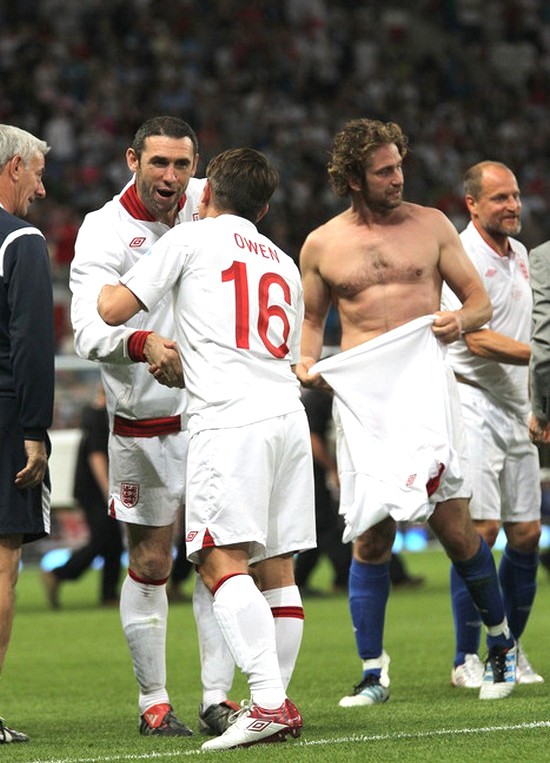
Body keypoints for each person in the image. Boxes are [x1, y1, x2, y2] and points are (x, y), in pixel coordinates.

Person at [97, 147, 316, 751]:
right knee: (278, 569)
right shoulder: (285, 262)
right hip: (287, 418)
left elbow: (111, 309)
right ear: (263, 209)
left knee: (219, 560)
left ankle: (267, 703)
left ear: (208, 190)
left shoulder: (190, 239)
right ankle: (274, 702)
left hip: (229, 419)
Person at [297, 117, 517, 706]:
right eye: (384, 171)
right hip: (362, 401)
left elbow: (479, 302)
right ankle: (373, 673)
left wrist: (458, 320)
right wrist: (306, 362)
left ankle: (500, 645)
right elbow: (312, 321)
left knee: (455, 529)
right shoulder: (322, 244)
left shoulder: (432, 225)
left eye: (399, 166)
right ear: (353, 179)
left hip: (426, 391)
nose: (398, 178)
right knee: (370, 537)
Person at [70, 116, 235, 737]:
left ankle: (217, 698)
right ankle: (154, 702)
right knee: (151, 560)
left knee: (219, 553)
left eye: (183, 165)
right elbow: (86, 329)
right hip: (144, 420)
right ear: (132, 160)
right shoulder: (104, 230)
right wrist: (141, 344)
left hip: (213, 412)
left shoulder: (207, 204)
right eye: (159, 163)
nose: (172, 177)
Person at [441, 161, 543, 687]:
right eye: (500, 197)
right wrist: (541, 358)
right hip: (472, 402)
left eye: (516, 196)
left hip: (516, 406)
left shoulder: (521, 255)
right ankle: (466, 658)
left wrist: (539, 399)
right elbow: (475, 339)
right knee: (481, 530)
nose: (513, 205)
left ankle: (511, 649)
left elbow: (528, 330)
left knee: (526, 532)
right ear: (472, 204)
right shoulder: (460, 256)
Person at [0, 124, 55, 743]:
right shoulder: (20, 240)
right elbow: (32, 343)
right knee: (1, 565)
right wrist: (35, 429)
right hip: (5, 416)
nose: (41, 189)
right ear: (14, 167)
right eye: (37, 174)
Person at [41, 384, 124, 608]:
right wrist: (109, 492)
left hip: (91, 489)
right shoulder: (99, 416)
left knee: (113, 543)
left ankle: (108, 594)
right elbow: (97, 457)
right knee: (101, 540)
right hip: (96, 490)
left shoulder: (93, 415)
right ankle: (59, 574)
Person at [294, 386, 351, 596]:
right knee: (325, 525)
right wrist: (332, 469)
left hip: (311, 469)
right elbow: (312, 439)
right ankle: (343, 576)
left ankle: (301, 580)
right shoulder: (317, 400)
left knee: (320, 527)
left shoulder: (323, 397)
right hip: (308, 471)